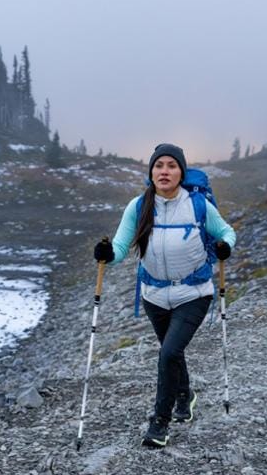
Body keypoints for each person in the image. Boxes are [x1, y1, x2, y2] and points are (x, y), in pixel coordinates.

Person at [94, 143, 236, 448]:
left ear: (181, 172)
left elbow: (227, 232)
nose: (165, 171)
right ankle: (185, 395)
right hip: (153, 295)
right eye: (159, 166)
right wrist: (108, 254)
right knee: (172, 352)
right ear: (151, 172)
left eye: (172, 165)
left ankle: (160, 422)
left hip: (194, 292)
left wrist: (225, 247)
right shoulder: (138, 206)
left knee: (168, 353)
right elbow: (120, 246)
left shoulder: (198, 205)